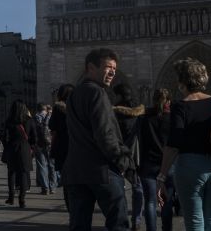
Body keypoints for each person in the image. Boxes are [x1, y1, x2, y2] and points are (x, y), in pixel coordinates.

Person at [156, 58, 211, 231]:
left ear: (182, 81)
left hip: (191, 168)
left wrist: (161, 177)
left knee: (195, 223)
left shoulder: (180, 106)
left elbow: (174, 143)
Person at [63, 48, 133, 231]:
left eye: (114, 69)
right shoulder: (97, 93)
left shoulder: (74, 95)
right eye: (108, 67)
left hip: (76, 171)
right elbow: (105, 134)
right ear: (91, 68)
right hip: (102, 170)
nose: (112, 72)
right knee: (118, 223)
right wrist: (122, 160)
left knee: (79, 225)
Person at [138, 88, 176, 231]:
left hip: (148, 163)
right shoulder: (172, 119)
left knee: (150, 202)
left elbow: (140, 141)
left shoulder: (145, 118)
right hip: (168, 164)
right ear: (169, 101)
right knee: (167, 201)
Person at [113, 83, 146, 230]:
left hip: (119, 154)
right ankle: (137, 220)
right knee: (138, 188)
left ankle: (121, 219)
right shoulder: (139, 112)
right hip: (136, 154)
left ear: (119, 96)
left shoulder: (114, 113)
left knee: (119, 188)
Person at [3, 100, 36, 208]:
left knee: (11, 173)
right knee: (23, 174)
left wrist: (7, 145)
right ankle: (22, 200)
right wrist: (31, 146)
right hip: (25, 149)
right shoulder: (29, 120)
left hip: (12, 148)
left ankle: (11, 197)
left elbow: (4, 136)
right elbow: (34, 137)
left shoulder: (9, 121)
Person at [49, 83, 75, 212]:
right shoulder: (78, 107)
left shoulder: (58, 109)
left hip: (62, 148)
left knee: (67, 182)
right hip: (78, 147)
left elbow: (51, 125)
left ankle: (71, 209)